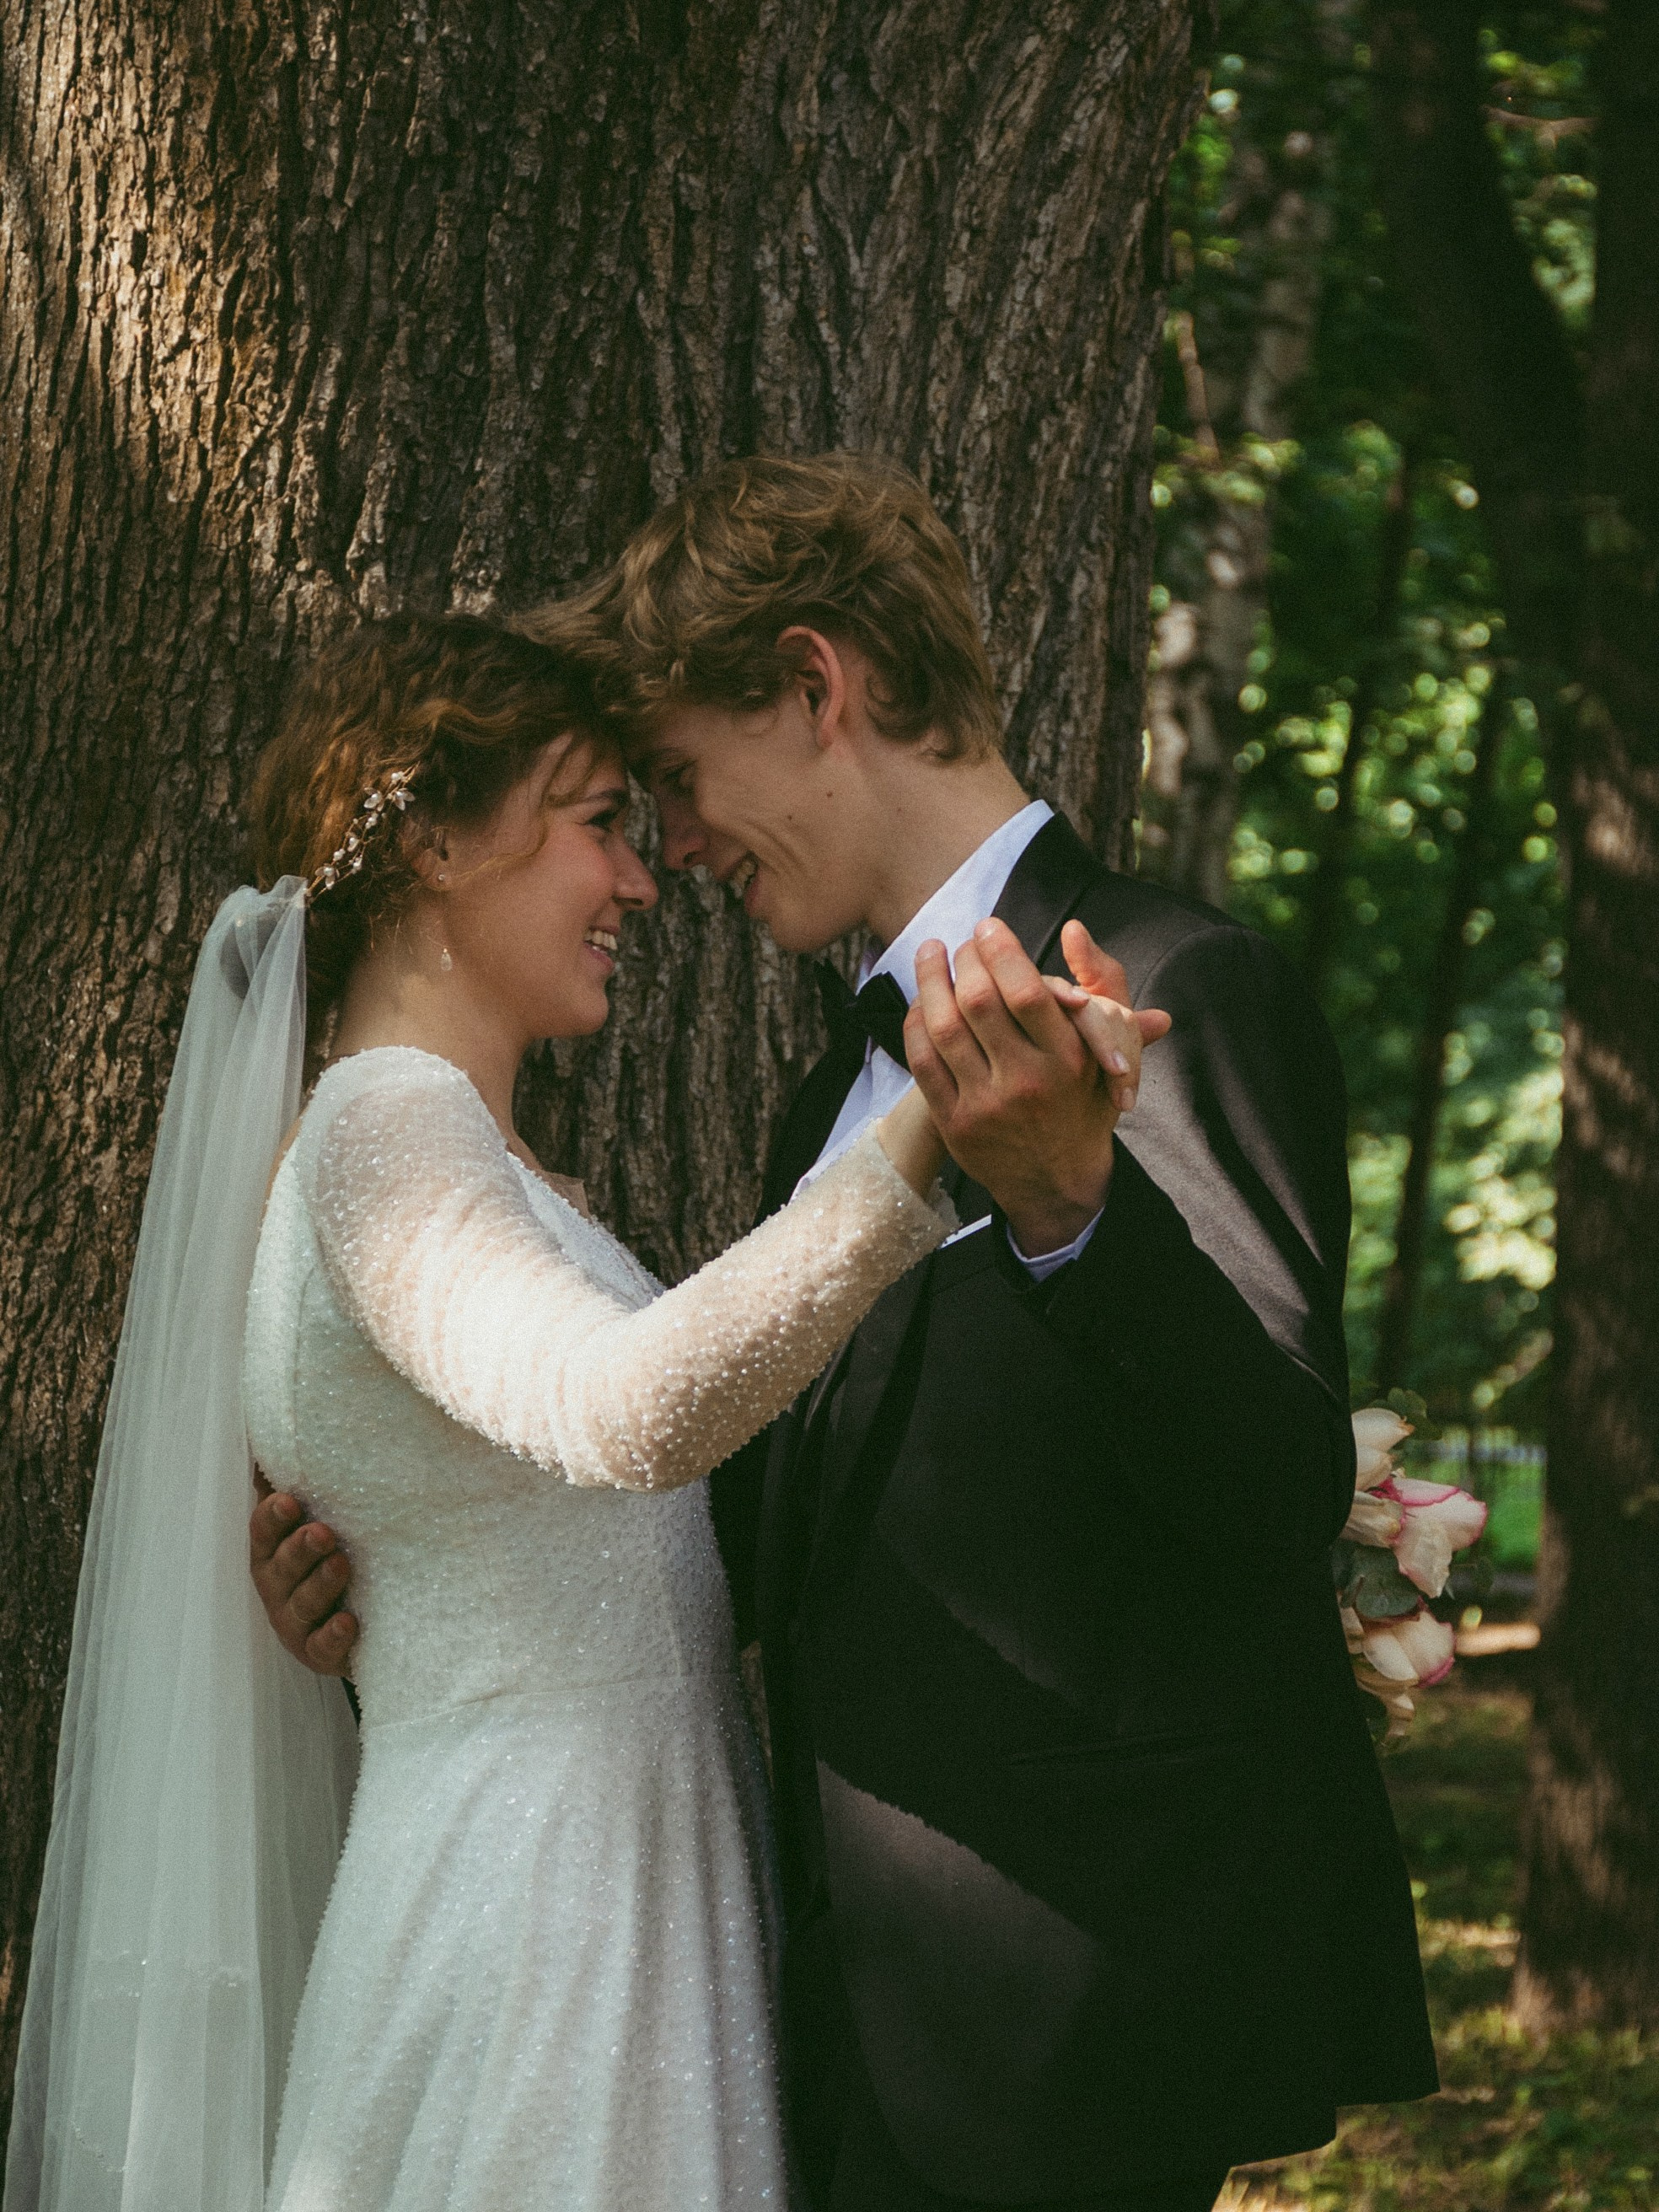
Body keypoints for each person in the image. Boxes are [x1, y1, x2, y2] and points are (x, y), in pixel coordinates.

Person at [254, 455, 1440, 2210]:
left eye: (676, 779)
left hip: (1074, 2015)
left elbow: (1270, 1485)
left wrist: (1072, 1212)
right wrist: (415, 1555)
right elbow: (773, 1518)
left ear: (818, 686)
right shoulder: (831, 1089)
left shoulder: (1182, 988)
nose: (679, 847)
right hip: (825, 2014)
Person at [8, 609, 1141, 2212]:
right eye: (600, 824)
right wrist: (930, 1139)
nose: (641, 878)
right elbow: (625, 1412)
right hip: (536, 1925)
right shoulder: (384, 1133)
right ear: (436, 844)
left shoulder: (487, 1168)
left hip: (618, 1876)